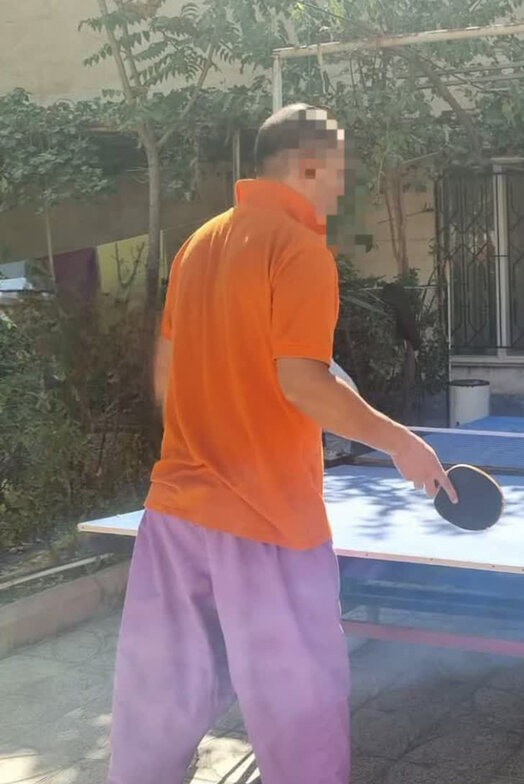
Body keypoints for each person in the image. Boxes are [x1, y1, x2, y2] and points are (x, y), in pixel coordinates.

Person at [105, 104, 456, 784]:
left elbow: (167, 374)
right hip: (269, 520)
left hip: (175, 514)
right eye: (338, 173)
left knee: (156, 705)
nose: (341, 189)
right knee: (301, 717)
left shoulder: (198, 244)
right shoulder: (299, 250)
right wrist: (400, 442)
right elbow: (302, 383)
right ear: (308, 165)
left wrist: (211, 431)